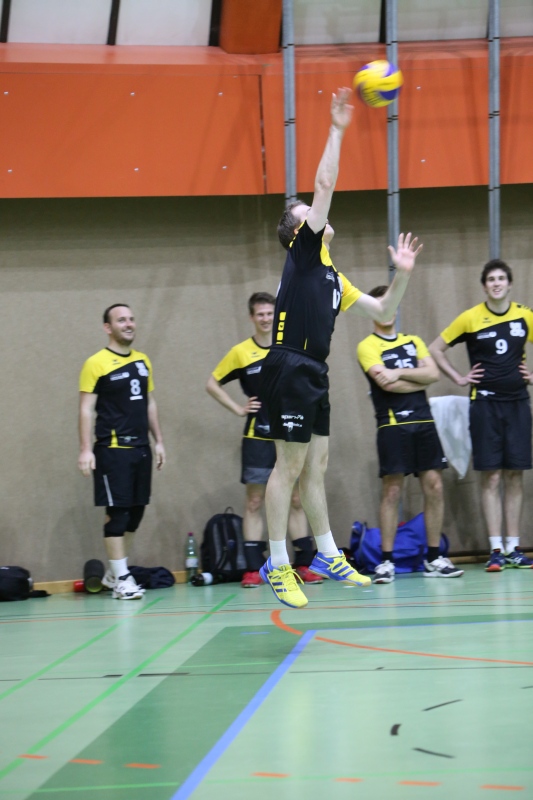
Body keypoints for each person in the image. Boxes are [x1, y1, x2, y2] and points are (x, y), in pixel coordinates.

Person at [258, 87, 424, 608]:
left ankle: (327, 553)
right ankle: (277, 564)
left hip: (314, 369)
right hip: (287, 364)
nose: (318, 212)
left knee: (317, 467)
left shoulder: (333, 274)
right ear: (298, 230)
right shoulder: (305, 253)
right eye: (308, 212)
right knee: (287, 468)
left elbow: (384, 309)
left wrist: (402, 274)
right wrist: (336, 129)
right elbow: (325, 182)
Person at [206, 292, 322, 588]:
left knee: (296, 499)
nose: (266, 318)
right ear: (252, 317)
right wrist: (238, 408)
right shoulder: (241, 352)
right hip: (257, 436)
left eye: (270, 313)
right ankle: (253, 569)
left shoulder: (291, 347)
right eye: (260, 314)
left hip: (290, 435)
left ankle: (304, 564)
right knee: (255, 501)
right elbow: (212, 383)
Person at [429, 259, 533, 572]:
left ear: (510, 284)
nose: (497, 283)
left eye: (501, 278)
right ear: (485, 286)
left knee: (514, 474)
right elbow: (435, 348)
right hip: (484, 405)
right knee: (492, 475)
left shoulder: (525, 315)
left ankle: (514, 547)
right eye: (491, 279)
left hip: (517, 404)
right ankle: (496, 549)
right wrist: (459, 377)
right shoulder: (470, 318)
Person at [357, 285, 463, 583]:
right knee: (392, 491)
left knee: (435, 487)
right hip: (392, 425)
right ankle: (386, 561)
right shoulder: (367, 346)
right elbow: (386, 384)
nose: (387, 309)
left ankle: (434, 558)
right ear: (371, 311)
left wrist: (399, 372)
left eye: (391, 303)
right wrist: (415, 378)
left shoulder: (413, 341)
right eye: (380, 304)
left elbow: (433, 374)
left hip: (424, 422)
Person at [78, 304, 166, 599]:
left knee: (135, 515)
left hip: (141, 449)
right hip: (112, 450)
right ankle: (123, 580)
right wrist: (85, 449)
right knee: (117, 515)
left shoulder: (143, 361)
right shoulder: (96, 363)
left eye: (131, 319)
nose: (128, 324)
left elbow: (149, 403)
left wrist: (159, 441)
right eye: (121, 320)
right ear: (108, 327)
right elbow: (86, 409)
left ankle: (114, 573)